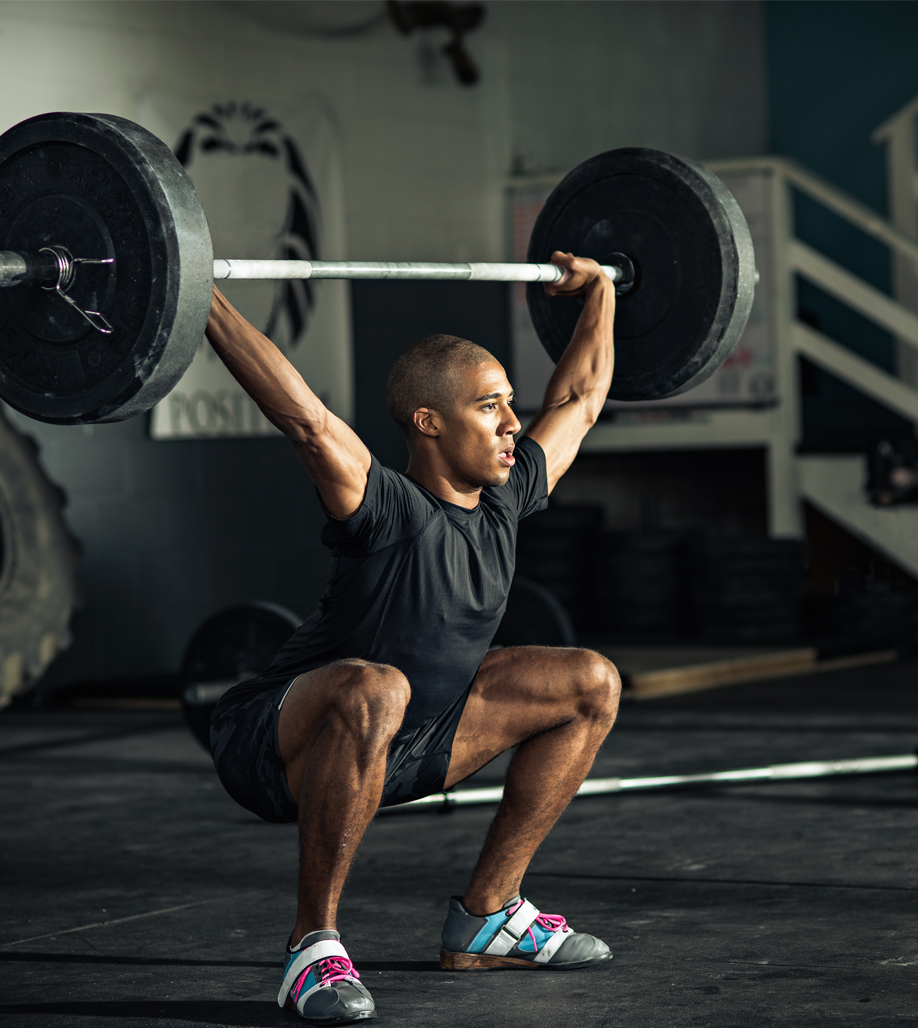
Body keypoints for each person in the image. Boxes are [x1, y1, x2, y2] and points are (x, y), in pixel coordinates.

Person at [206, 252, 620, 1025]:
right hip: (273, 742)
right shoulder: (385, 505)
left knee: (590, 681)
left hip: (409, 743)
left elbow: (583, 397)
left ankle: (489, 917)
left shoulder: (507, 495)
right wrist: (198, 296)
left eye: (509, 405)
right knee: (377, 686)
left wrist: (598, 291)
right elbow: (302, 416)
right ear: (429, 423)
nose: (511, 423)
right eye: (489, 407)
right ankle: (310, 948)